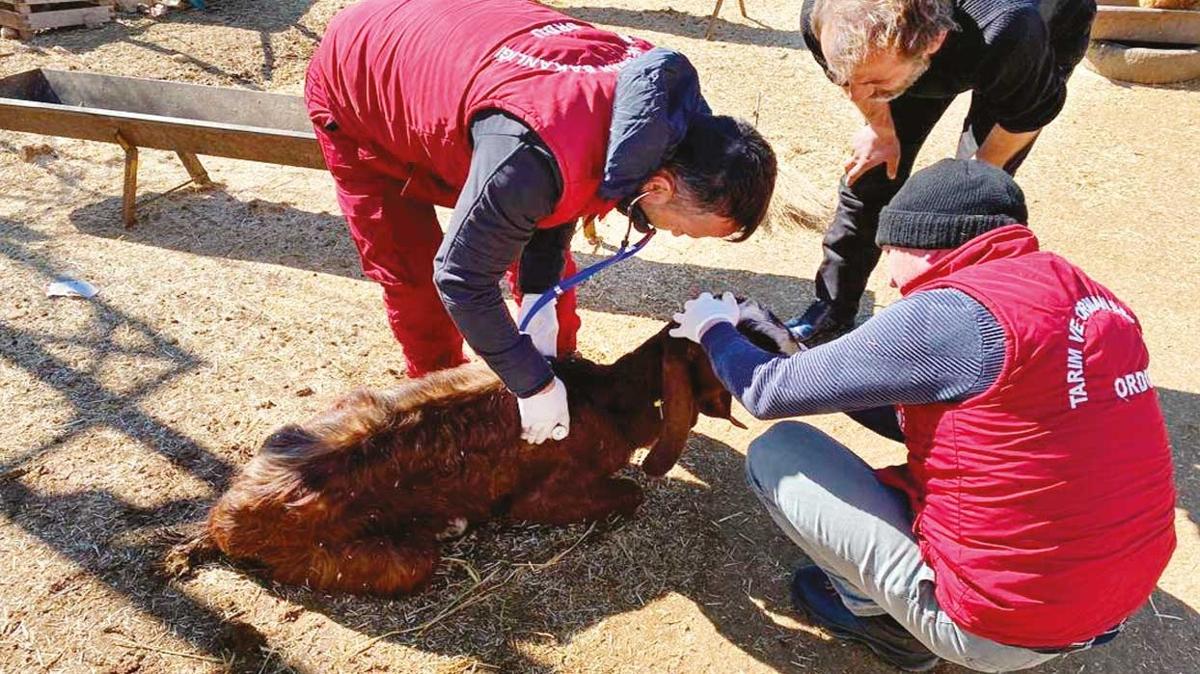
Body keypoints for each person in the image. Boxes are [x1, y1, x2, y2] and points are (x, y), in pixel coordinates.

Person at [670, 160, 1176, 672]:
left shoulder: (952, 310)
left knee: (778, 453)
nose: (888, 279)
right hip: (1112, 604)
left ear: (924, 244)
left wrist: (713, 329)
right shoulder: (1086, 295)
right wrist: (797, 356)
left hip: (1000, 628)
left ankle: (883, 622)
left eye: (889, 253)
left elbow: (765, 393)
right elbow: (930, 411)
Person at [304, 0, 777, 444]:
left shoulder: (662, 116)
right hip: (364, 74)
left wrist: (539, 299)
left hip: (470, 66)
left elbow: (567, 186)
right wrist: (532, 384)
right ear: (659, 187)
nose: (673, 234)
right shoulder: (531, 156)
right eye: (682, 228)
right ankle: (444, 403)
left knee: (532, 254)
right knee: (413, 268)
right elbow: (462, 277)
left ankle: (561, 369)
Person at [790, 0, 1097, 344]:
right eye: (845, 80)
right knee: (871, 176)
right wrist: (879, 127)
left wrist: (971, 181)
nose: (857, 95)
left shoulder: (1008, 29)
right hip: (906, 55)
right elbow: (859, 77)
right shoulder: (822, 14)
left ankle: (949, 330)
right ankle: (833, 307)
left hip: (1031, 33)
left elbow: (1025, 117)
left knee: (969, 213)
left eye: (871, 83)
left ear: (933, 42)